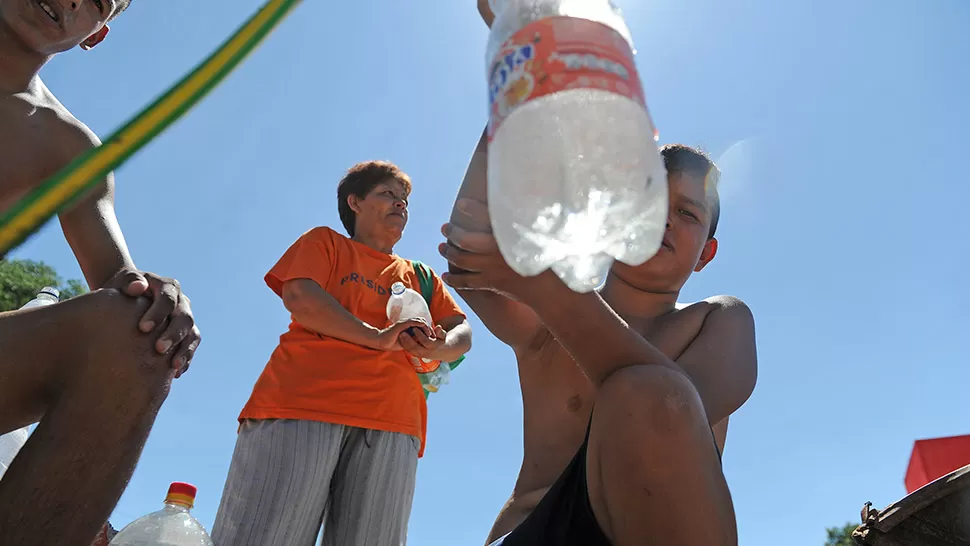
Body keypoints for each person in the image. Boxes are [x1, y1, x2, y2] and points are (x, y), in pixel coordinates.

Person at [441, 129, 757, 544]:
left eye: (687, 213)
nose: (663, 217)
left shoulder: (716, 320)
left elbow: (666, 415)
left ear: (705, 254)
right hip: (531, 531)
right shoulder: (545, 327)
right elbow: (472, 245)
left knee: (649, 392)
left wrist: (550, 293)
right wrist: (514, 102)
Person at [0, 1, 202, 545]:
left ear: (96, 34)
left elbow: (121, 280)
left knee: (137, 328)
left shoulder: (68, 147)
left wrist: (162, 300)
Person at [212, 160, 473, 546]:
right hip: (301, 407)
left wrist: (440, 346)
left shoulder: (422, 274)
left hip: (394, 422)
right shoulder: (325, 243)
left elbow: (461, 332)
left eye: (404, 200)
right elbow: (300, 295)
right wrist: (377, 336)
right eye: (388, 194)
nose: (400, 205)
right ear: (355, 202)